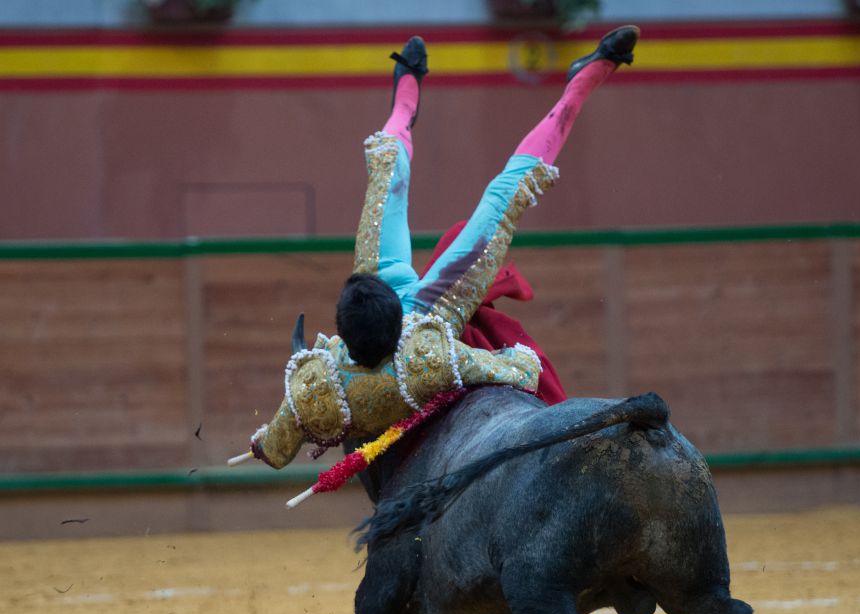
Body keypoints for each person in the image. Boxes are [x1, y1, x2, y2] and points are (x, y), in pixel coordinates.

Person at [233, 26, 640, 472]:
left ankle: (407, 89)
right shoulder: (427, 357)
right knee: (505, 192)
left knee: (396, 166)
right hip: (433, 312)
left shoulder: (325, 386)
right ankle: (576, 85)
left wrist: (262, 447)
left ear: (342, 335)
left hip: (402, 290)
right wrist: (512, 360)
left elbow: (276, 443)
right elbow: (516, 370)